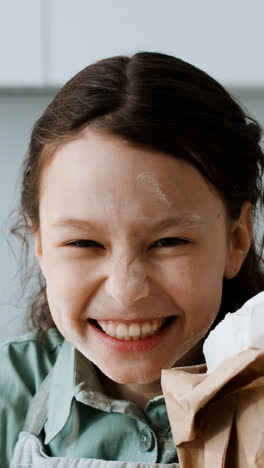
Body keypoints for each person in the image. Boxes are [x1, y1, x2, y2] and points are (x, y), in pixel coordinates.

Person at [1, 51, 264, 467]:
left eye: (168, 242)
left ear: (236, 240)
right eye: (84, 243)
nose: (126, 291)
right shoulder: (10, 389)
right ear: (40, 245)